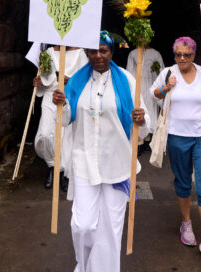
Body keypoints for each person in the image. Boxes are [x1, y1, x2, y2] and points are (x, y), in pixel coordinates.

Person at [52, 31, 149, 272]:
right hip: (85, 161)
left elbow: (144, 127)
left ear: (111, 53)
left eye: (103, 50)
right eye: (93, 51)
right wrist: (60, 104)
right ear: (88, 53)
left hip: (117, 163)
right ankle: (83, 266)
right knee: (82, 225)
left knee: (110, 228)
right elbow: (64, 121)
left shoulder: (127, 80)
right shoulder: (76, 81)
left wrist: (140, 118)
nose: (98, 55)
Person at [151, 37, 201, 270]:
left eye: (186, 54)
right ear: (174, 55)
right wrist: (166, 87)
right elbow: (153, 93)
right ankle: (186, 222)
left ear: (194, 55)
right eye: (178, 54)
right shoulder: (168, 72)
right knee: (184, 182)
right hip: (176, 137)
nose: (182, 59)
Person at [33, 45, 89, 190]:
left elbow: (86, 79)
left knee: (66, 136)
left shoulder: (80, 53)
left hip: (69, 97)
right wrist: (39, 82)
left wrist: (70, 80)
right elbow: (44, 78)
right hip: (50, 96)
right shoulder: (48, 53)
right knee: (45, 134)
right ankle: (52, 165)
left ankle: (64, 173)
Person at [126, 45, 164, 136]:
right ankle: (140, 139)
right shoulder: (133, 53)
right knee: (139, 107)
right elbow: (129, 71)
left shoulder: (156, 54)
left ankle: (150, 136)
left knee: (151, 110)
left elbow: (162, 71)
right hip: (138, 84)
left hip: (152, 83)